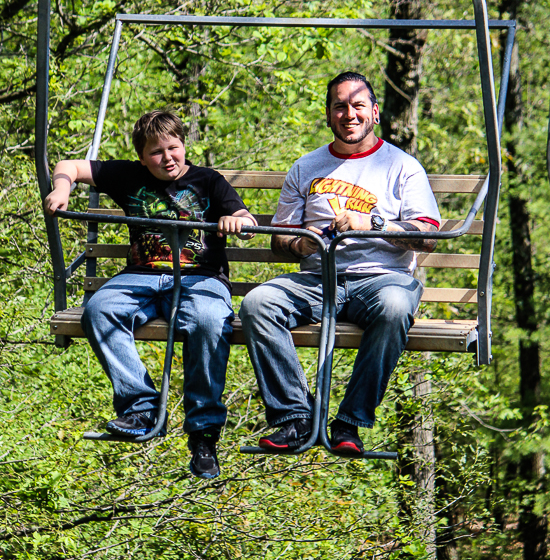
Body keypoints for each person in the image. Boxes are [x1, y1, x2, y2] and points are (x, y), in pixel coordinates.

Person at [44, 110, 257, 479]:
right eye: (157, 153)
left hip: (199, 278)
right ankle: (142, 406)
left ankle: (203, 431)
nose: (168, 158)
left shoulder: (208, 180)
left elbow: (244, 216)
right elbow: (69, 165)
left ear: (184, 145)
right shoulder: (130, 176)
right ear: (143, 157)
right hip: (141, 277)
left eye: (174, 148)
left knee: (209, 321)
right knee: (99, 310)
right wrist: (62, 187)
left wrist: (238, 222)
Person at [239, 71, 440, 454]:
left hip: (382, 281)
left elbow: (428, 235)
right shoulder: (305, 167)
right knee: (257, 305)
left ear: (375, 113)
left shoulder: (402, 166)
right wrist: (307, 244)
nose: (350, 113)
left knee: (396, 307)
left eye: (358, 105)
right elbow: (280, 241)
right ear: (329, 115)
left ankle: (350, 422)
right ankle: (295, 417)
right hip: (318, 279)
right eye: (340, 106)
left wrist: (372, 223)